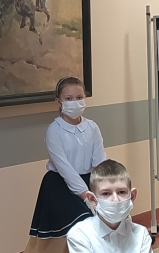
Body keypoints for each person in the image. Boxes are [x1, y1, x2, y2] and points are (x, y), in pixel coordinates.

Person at [29, 76, 106, 238]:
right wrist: (86, 196)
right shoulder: (55, 130)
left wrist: (104, 190)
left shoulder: (92, 127)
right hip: (60, 185)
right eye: (69, 99)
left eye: (79, 97)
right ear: (59, 102)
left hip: (90, 182)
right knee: (83, 224)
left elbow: (99, 163)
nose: (75, 102)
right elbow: (65, 169)